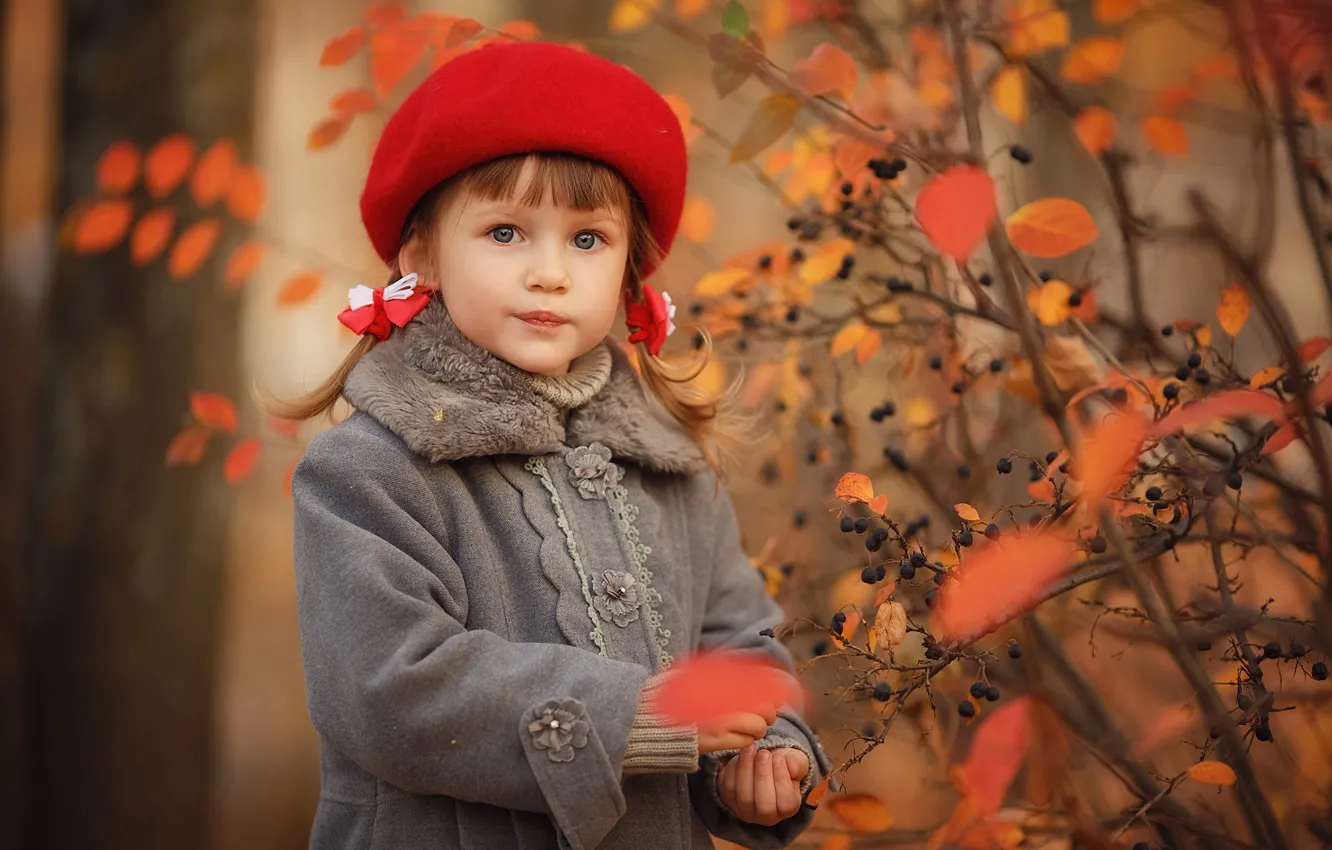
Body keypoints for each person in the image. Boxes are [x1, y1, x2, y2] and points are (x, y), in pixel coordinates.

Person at [277, 39, 834, 850]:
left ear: (630, 271)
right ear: (422, 254)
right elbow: (387, 687)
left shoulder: (670, 467)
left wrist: (763, 751)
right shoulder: (370, 469)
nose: (550, 272)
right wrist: (636, 714)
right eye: (505, 232)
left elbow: (740, 644)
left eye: (587, 240)